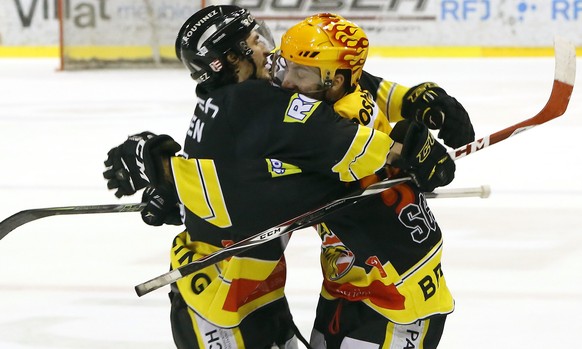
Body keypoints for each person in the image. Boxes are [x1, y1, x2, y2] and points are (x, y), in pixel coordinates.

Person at [102, 6, 456, 349]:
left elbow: (350, 81)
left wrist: (407, 100)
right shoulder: (261, 110)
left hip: (273, 291)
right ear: (231, 58)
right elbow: (252, 200)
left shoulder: (256, 94)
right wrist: (405, 150)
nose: (269, 51)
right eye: (255, 40)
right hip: (221, 304)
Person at [270, 13, 475, 348]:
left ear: (334, 81)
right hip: (346, 280)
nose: (287, 81)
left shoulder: (334, 128)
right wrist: (412, 101)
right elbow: (368, 83)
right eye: (286, 66)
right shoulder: (337, 91)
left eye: (301, 73)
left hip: (399, 297)